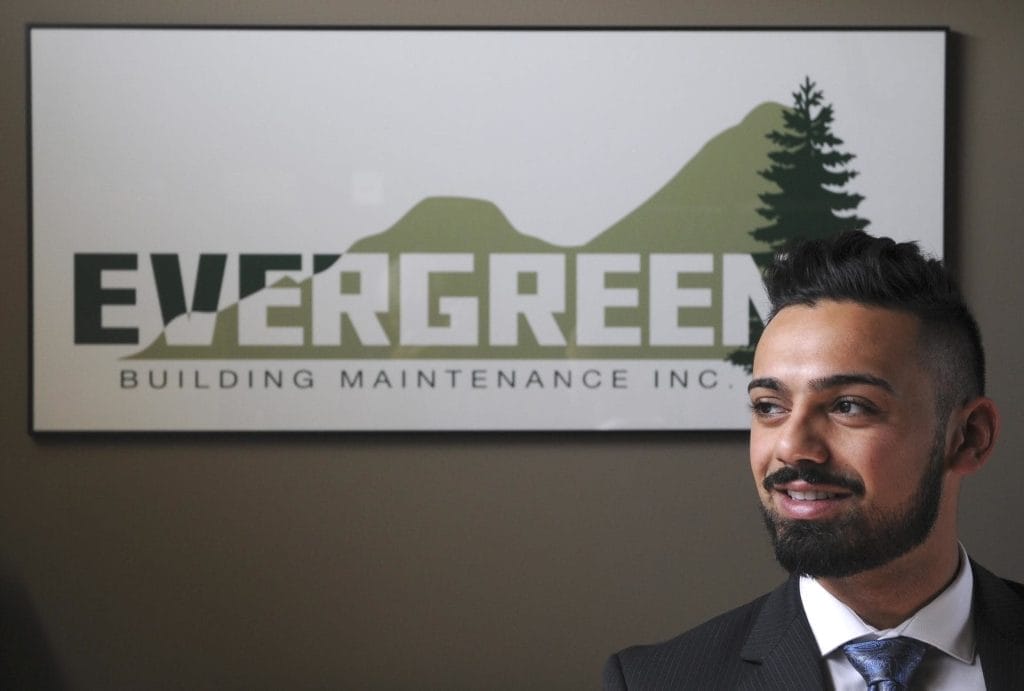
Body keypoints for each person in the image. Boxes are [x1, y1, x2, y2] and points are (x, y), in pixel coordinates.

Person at [604, 231, 1024, 690]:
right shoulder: (655, 682)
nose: (791, 447)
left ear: (969, 438)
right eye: (769, 406)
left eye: (849, 406)